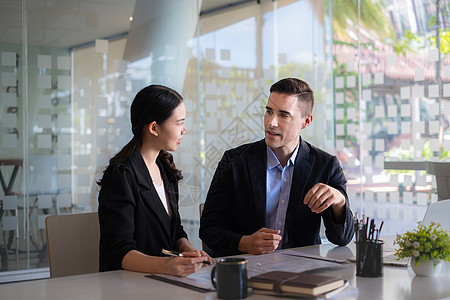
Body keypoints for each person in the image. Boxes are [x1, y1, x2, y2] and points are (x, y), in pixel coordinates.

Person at [199, 78, 355, 257]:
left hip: (303, 272)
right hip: (249, 269)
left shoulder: (325, 165)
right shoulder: (234, 161)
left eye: (284, 115)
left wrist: (339, 201)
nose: (271, 122)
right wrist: (244, 243)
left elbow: (342, 238)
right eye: (269, 111)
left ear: (306, 122)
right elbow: (208, 229)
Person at [98, 85, 213, 276]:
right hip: (128, 286)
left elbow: (174, 230)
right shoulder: (121, 175)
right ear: (154, 128)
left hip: (164, 282)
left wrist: (187, 249)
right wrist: (167, 266)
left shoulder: (165, 168)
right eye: (179, 123)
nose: (185, 130)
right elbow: (118, 251)